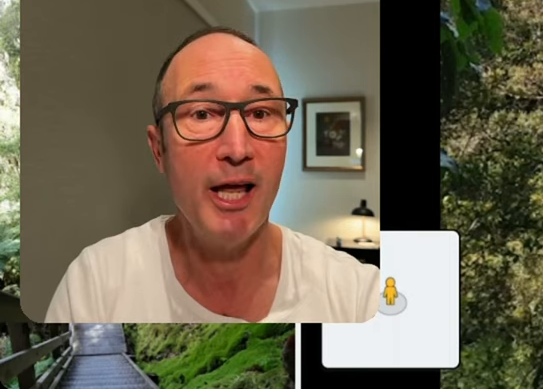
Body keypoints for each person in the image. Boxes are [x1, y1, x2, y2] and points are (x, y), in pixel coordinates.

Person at [43, 26, 379, 321]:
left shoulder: (357, 296)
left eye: (261, 113)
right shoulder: (94, 286)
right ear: (159, 149)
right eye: (202, 114)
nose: (237, 148)